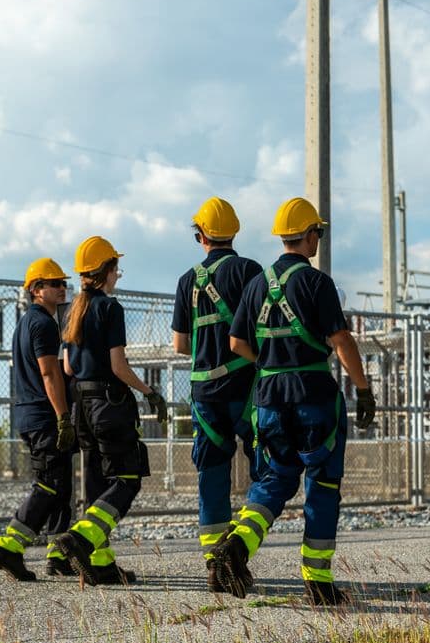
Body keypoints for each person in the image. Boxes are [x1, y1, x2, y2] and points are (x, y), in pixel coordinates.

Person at [210, 198, 377, 606]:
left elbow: (236, 343)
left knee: (273, 480)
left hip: (268, 397)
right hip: (312, 394)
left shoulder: (257, 284)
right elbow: (341, 341)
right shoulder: (317, 283)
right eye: (317, 231)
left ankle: (236, 547)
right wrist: (363, 388)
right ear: (309, 235)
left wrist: (269, 364)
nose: (318, 238)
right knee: (321, 480)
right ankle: (317, 582)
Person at [52, 236, 169, 586]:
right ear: (105, 271)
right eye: (116, 268)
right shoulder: (109, 308)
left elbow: (69, 368)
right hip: (109, 405)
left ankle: (100, 563)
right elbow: (119, 365)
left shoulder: (71, 309)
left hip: (82, 407)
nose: (119, 274)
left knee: (96, 483)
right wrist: (149, 391)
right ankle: (80, 540)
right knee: (127, 479)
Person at [170, 197, 264, 591]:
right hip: (247, 389)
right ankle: (238, 547)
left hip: (205, 391)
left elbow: (179, 345)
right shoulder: (251, 271)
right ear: (235, 232)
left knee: (212, 473)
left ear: (201, 237)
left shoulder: (187, 280)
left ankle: (215, 561)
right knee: (267, 468)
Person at [0, 257, 76, 581]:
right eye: (55, 283)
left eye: (63, 283)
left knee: (61, 486)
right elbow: (49, 371)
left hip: (33, 414)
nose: (62, 288)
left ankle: (59, 555)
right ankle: (9, 548)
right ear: (37, 289)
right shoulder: (42, 324)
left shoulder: (28, 322)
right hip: (44, 416)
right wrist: (63, 417)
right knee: (49, 485)